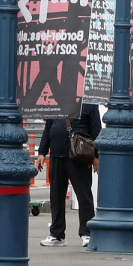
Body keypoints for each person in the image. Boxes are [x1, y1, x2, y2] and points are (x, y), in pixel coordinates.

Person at [37, 104, 101, 247]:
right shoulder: (57, 102)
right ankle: (57, 234)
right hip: (56, 155)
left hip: (78, 156)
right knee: (56, 195)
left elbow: (96, 130)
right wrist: (42, 152)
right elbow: (48, 128)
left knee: (83, 195)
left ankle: (87, 232)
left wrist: (96, 155)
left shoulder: (89, 104)